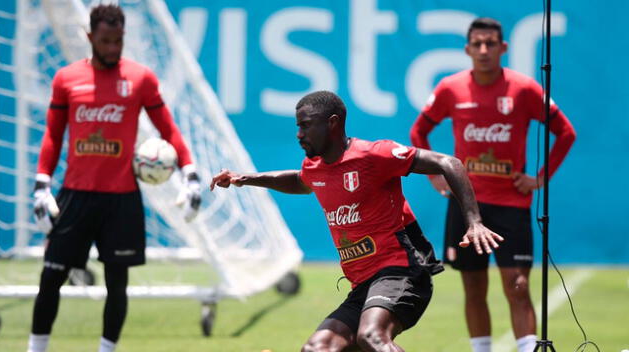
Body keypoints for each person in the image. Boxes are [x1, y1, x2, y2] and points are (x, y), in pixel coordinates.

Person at [210, 90, 503, 352]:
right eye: (298, 126)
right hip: (363, 283)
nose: (299, 134)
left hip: (402, 272)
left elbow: (448, 163)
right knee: (318, 348)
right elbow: (300, 181)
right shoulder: (315, 167)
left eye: (306, 125)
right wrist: (245, 178)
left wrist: (474, 221)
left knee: (372, 336)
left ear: (333, 123)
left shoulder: (374, 155)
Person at [27, 5, 202, 352]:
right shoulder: (66, 79)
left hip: (122, 199)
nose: (112, 48)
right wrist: (42, 183)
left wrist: (190, 173)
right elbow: (53, 134)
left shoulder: (140, 79)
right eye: (105, 41)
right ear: (90, 37)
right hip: (75, 196)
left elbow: (168, 128)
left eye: (118, 41)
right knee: (51, 278)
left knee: (116, 283)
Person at [409, 17, 576, 352]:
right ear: (468, 49)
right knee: (473, 287)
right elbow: (418, 133)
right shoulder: (450, 88)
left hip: (512, 205)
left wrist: (540, 179)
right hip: (465, 205)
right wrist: (434, 175)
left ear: (503, 48)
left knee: (517, 285)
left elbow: (566, 133)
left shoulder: (525, 89)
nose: (484, 50)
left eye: (490, 44)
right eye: (477, 44)